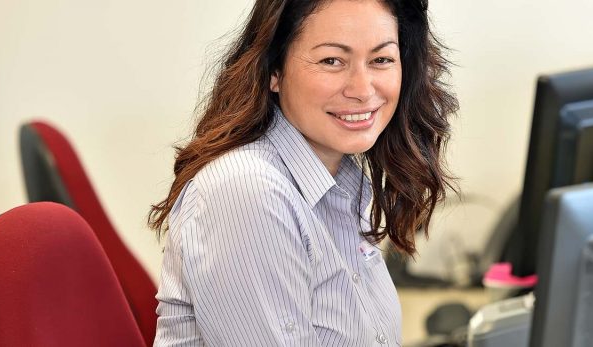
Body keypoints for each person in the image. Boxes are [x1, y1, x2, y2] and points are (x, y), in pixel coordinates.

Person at [146, 0, 457, 345]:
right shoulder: (247, 191)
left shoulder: (339, 182)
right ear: (274, 71)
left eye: (381, 60)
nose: (363, 89)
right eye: (331, 61)